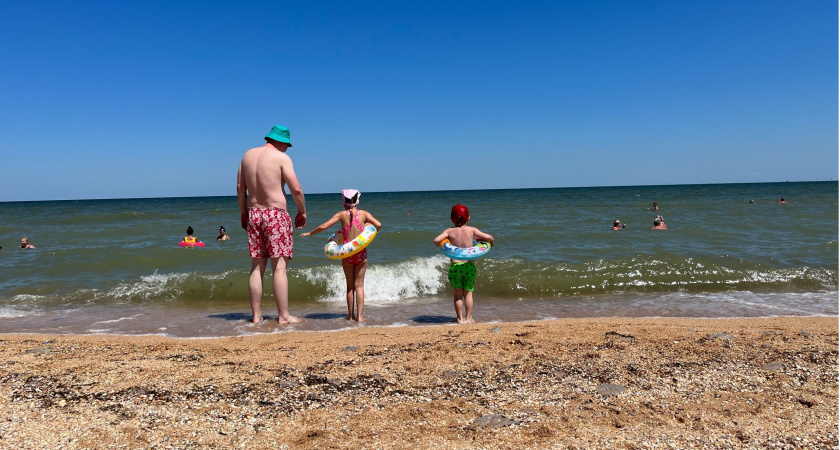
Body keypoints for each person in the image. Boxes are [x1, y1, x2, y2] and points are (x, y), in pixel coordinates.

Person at [237, 125, 306, 325]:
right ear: (281, 142)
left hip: (254, 213)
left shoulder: (247, 155)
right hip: (276, 215)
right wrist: (302, 211)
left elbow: (240, 188)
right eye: (287, 145)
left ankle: (256, 316)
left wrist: (243, 214)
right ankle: (283, 316)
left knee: (257, 266)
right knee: (279, 267)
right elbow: (296, 188)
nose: (287, 149)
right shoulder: (281, 158)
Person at [300, 189, 382, 322]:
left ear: (344, 202)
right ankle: (360, 317)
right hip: (361, 254)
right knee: (359, 286)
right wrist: (368, 225)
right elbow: (378, 225)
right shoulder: (364, 214)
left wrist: (310, 233)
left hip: (347, 255)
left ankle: (350, 316)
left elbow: (324, 226)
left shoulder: (341, 215)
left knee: (350, 287)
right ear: (357, 201)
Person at [432, 204, 495, 324]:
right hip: (469, 267)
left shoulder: (449, 231)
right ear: (468, 218)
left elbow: (436, 240)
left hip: (455, 267)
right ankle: (469, 318)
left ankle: (459, 319)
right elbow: (489, 237)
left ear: (452, 219)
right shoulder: (472, 230)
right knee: (468, 294)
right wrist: (491, 242)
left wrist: (442, 244)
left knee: (457, 295)